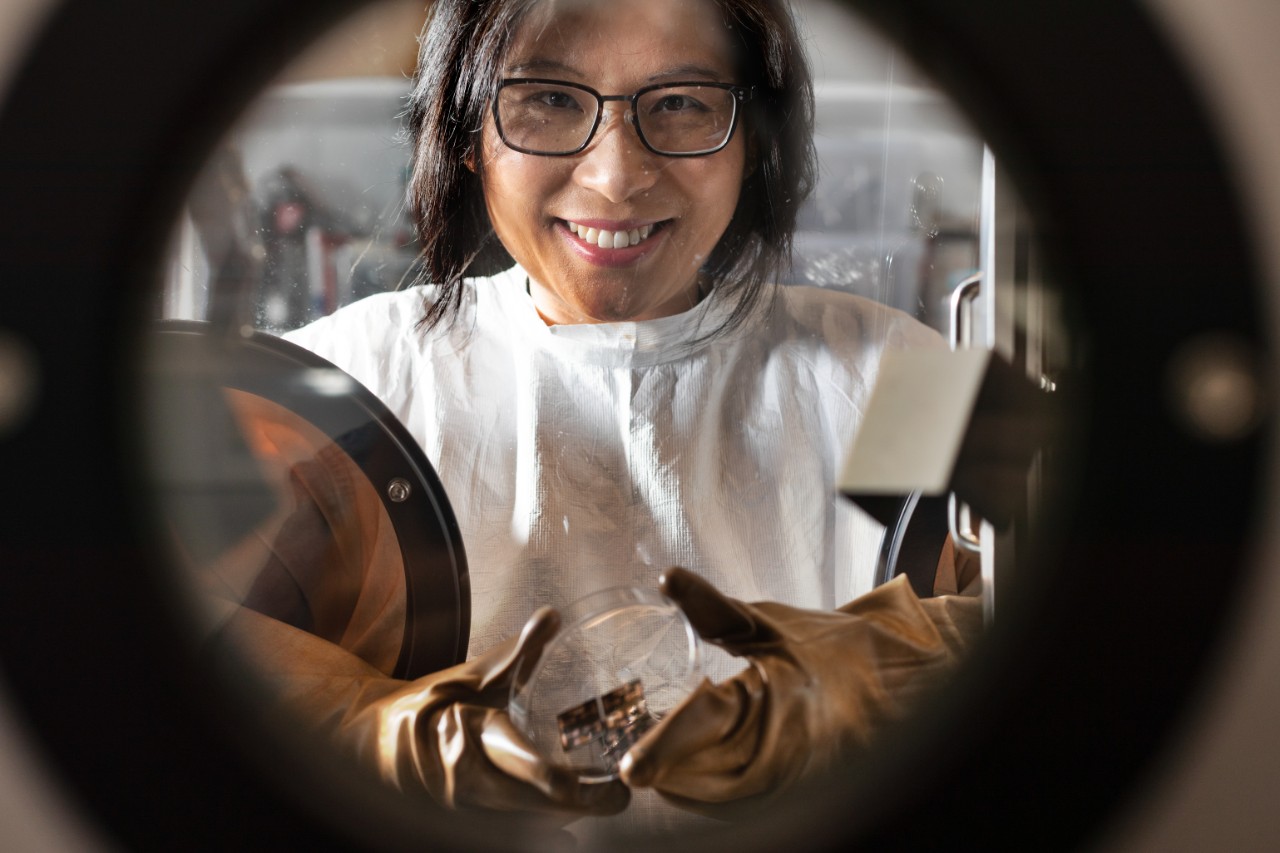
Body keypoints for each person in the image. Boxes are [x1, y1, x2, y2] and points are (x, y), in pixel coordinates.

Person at [204, 0, 982, 838]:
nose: (615, 175)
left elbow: (1096, 598)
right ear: (467, 135)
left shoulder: (896, 374)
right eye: (549, 99)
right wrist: (367, 724)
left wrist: (886, 672)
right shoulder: (342, 386)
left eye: (682, 102)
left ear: (754, 138)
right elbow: (156, 627)